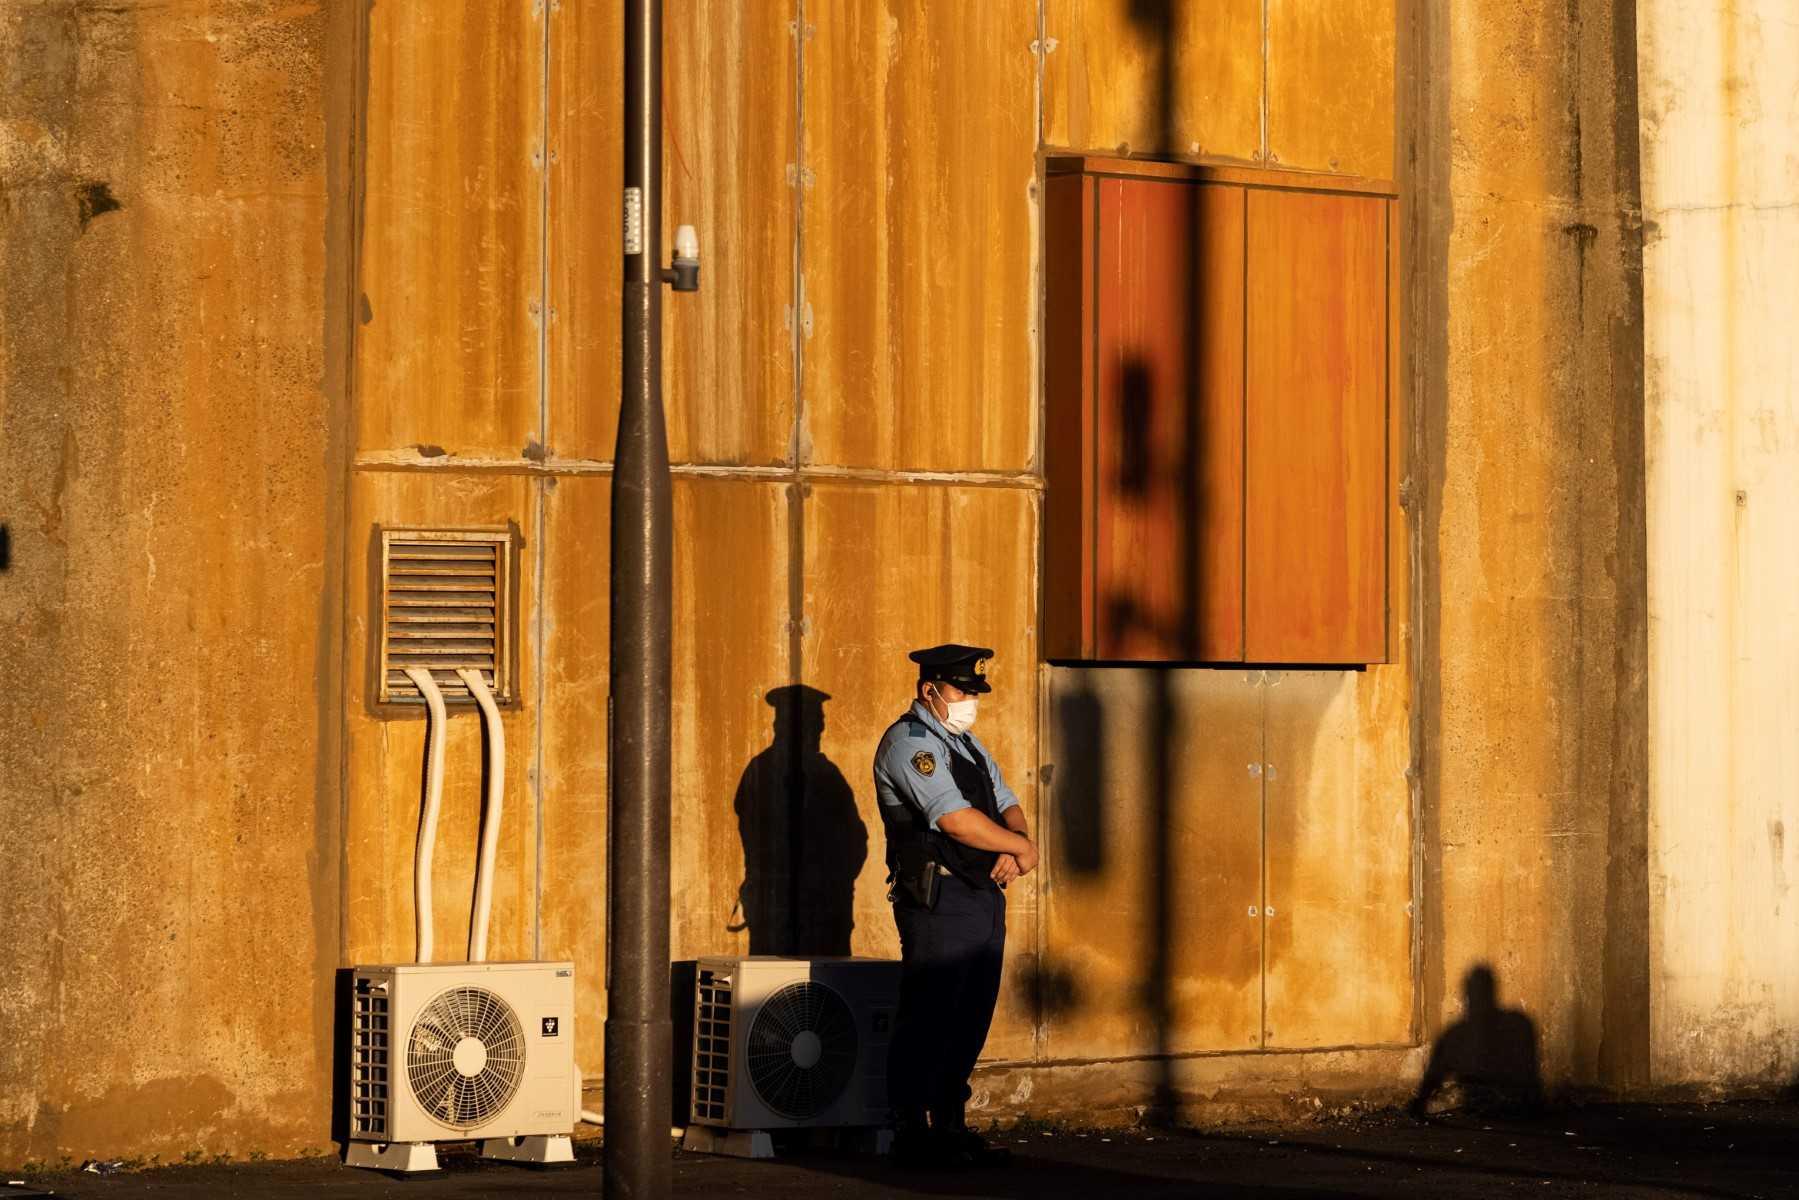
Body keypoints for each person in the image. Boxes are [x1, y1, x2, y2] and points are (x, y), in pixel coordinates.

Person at [873, 644, 1039, 1168]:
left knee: (970, 1014)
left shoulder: (966, 744)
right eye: (961, 691)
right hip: (939, 896)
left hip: (981, 894)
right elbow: (953, 820)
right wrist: (1020, 848)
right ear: (930, 691)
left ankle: (948, 1125)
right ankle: (909, 1130)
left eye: (974, 692)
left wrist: (1016, 844)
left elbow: (1006, 799)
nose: (970, 700)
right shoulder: (910, 743)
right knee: (930, 1012)